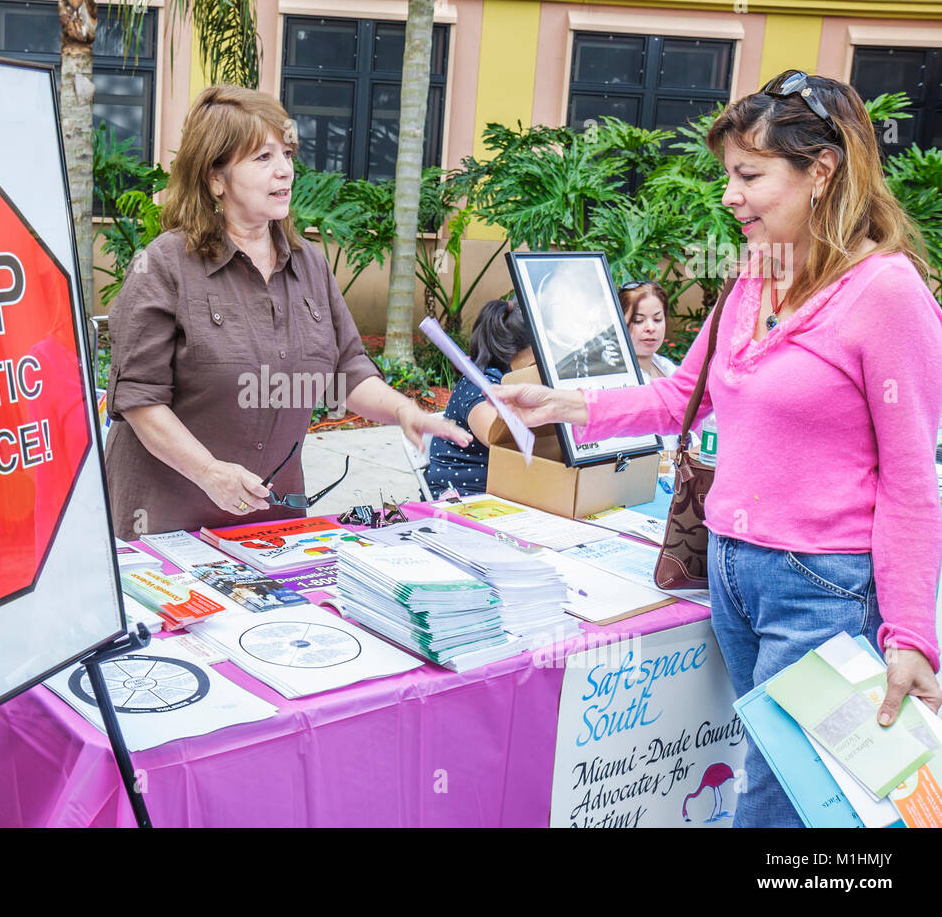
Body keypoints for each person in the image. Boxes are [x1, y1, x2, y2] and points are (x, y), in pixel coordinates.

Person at [490, 70, 942, 827]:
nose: (729, 195)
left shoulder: (887, 294)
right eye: (728, 175)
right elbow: (680, 398)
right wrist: (564, 403)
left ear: (821, 171)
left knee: (778, 805)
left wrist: (912, 637)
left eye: (749, 175)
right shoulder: (754, 274)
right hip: (728, 568)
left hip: (820, 587)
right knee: (776, 790)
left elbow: (911, 483)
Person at [105, 86, 470, 539]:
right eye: (262, 158)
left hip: (272, 523)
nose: (285, 171)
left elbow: (347, 371)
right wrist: (209, 472)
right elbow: (140, 399)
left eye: (287, 154)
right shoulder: (165, 264)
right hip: (169, 520)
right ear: (216, 178)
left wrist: (404, 411)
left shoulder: (310, 262)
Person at [424, 299, 534, 496]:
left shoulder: (511, 379)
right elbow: (498, 437)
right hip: (461, 496)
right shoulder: (478, 386)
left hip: (505, 490)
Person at [620, 280, 676, 381]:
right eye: (638, 320)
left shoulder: (666, 367)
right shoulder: (617, 379)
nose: (651, 328)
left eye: (657, 319)